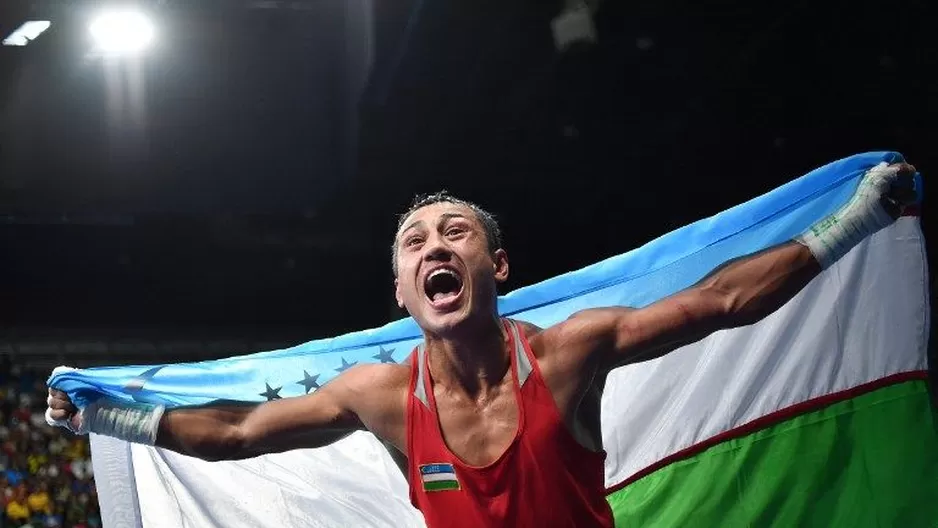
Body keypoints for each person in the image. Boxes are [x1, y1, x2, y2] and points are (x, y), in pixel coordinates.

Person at [47, 160, 919, 527]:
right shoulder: (379, 395)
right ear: (401, 290)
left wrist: (856, 219)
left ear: (495, 263)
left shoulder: (570, 352)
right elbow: (236, 434)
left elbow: (722, 299)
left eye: (454, 231)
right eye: (415, 240)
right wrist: (112, 421)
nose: (435, 245)